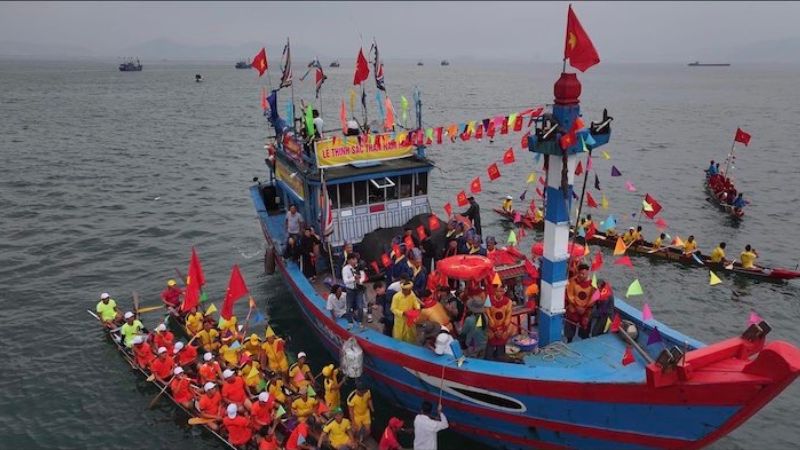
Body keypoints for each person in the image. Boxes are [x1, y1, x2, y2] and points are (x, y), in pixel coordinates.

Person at [565, 263, 594, 343]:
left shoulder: (592, 284)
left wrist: (585, 308)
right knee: (570, 320)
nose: (581, 275)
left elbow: (593, 297)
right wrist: (576, 306)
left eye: (583, 274)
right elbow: (570, 294)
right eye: (580, 273)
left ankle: (584, 339)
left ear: (588, 273)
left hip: (586, 308)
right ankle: (569, 339)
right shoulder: (573, 281)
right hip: (574, 306)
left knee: (586, 322)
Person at [486, 284, 513, 361]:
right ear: (494, 291)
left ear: (504, 291)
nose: (499, 293)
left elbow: (508, 316)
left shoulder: (508, 301)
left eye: (501, 291)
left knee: (501, 353)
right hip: (492, 329)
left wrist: (503, 329)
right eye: (497, 291)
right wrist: (494, 330)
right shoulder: (488, 300)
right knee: (489, 352)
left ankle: (500, 361)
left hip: (503, 329)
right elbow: (487, 315)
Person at [342, 254, 366, 324]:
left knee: (360, 307)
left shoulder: (359, 267)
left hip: (359, 289)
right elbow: (345, 281)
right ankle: (350, 321)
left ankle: (359, 321)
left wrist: (360, 281)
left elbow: (363, 276)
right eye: (354, 259)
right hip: (350, 290)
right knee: (349, 308)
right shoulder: (345, 269)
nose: (355, 261)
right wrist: (354, 278)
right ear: (349, 260)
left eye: (356, 259)